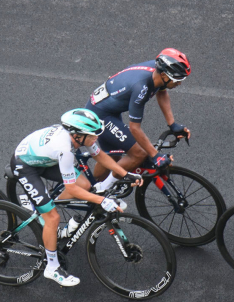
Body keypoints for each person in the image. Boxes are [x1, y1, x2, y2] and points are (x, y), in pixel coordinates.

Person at [11, 109, 142, 287]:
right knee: (53, 217)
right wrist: (102, 200)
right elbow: (71, 188)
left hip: (45, 159)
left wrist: (125, 173)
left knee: (85, 186)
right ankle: (52, 267)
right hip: (25, 166)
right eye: (93, 135)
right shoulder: (65, 149)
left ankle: (45, 204)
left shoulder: (80, 137)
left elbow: (99, 155)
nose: (96, 137)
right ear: (78, 136)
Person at [81, 48, 191, 193]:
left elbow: (162, 91)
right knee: (140, 153)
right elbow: (135, 128)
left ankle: (92, 189)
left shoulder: (157, 72)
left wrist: (172, 124)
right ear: (164, 75)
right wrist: (155, 155)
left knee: (112, 155)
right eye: (177, 80)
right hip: (100, 115)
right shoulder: (141, 88)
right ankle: (102, 190)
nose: (179, 84)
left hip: (107, 109)